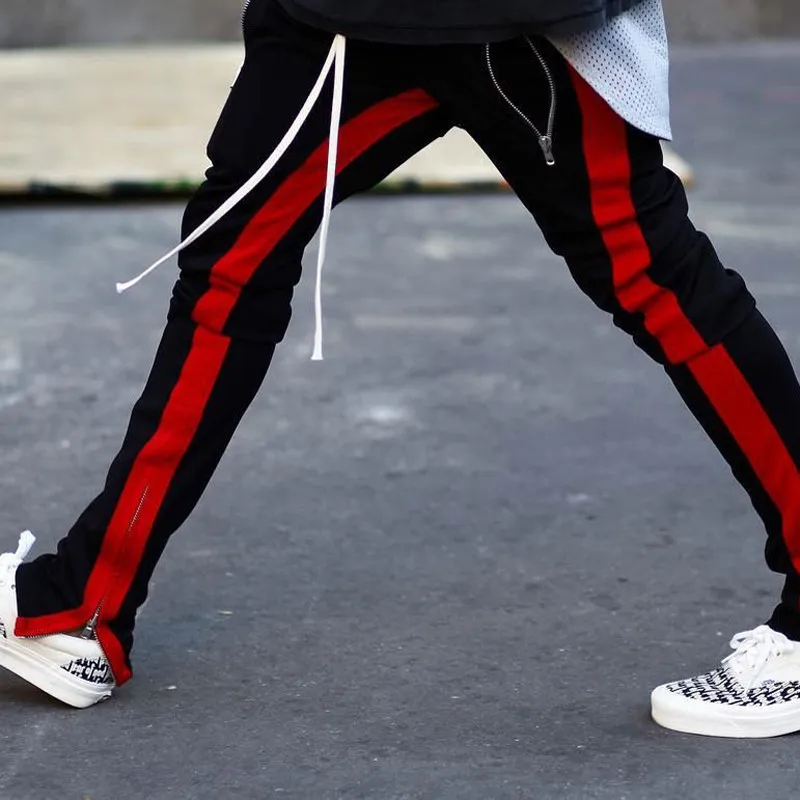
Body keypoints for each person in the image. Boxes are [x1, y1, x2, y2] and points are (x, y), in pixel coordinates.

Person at [2, 0, 800, 739]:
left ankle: (82, 603)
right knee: (230, 271)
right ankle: (80, 606)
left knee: (658, 278)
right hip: (347, 18)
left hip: (514, 22)